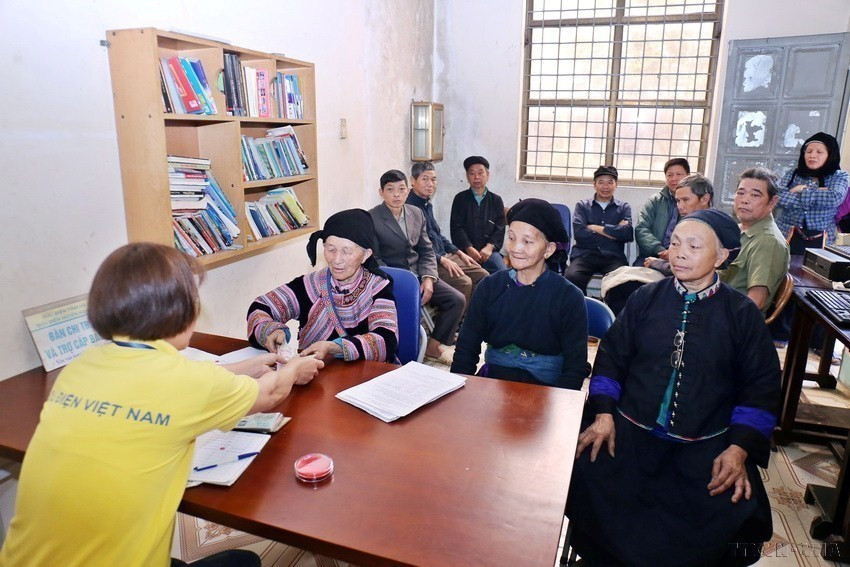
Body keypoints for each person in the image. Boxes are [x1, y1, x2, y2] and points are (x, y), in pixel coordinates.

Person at [0, 243, 324, 567]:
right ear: (181, 310)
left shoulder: (82, 365)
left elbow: (177, 386)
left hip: (25, 559)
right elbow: (270, 394)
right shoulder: (187, 382)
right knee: (244, 562)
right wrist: (294, 367)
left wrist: (244, 368)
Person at [567, 209, 779, 566]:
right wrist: (603, 413)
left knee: (732, 513)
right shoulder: (645, 299)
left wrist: (740, 449)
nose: (679, 253)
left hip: (704, 445)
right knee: (589, 482)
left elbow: (760, 387)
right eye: (676, 243)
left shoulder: (742, 315)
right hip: (631, 434)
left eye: (694, 246)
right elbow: (611, 360)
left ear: (722, 256)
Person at [451, 198, 587, 390]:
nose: (515, 248)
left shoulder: (568, 296)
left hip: (548, 389)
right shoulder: (489, 287)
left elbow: (575, 367)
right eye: (512, 238)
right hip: (494, 384)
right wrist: (456, 392)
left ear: (549, 249)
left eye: (527, 241)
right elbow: (466, 349)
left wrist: (561, 406)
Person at [247, 208, 399, 363]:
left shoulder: (378, 287)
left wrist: (336, 347)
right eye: (330, 249)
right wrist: (270, 331)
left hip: (366, 375)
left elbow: (386, 339)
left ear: (366, 254)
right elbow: (261, 306)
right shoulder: (310, 286)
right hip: (313, 373)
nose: (337, 259)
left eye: (347, 252)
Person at [370, 169, 464, 364]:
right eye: (390, 189)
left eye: (401, 189)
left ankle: (433, 346)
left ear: (408, 190)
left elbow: (426, 250)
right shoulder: (372, 218)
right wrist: (400, 283)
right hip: (393, 280)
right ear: (381, 192)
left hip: (419, 275)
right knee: (407, 317)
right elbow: (375, 259)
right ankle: (404, 356)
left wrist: (429, 278)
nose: (396, 194)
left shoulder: (416, 212)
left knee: (457, 300)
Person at [602, 173, 714, 315]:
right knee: (618, 287)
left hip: (687, 285)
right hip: (669, 271)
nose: (680, 206)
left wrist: (657, 263)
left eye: (685, 200)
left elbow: (691, 269)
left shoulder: (709, 229)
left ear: (705, 199)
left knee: (629, 293)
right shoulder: (691, 222)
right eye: (678, 201)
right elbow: (642, 230)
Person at [406, 161, 488, 303]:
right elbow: (416, 247)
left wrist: (459, 252)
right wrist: (442, 259)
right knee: (465, 282)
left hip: (445, 254)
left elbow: (437, 235)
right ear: (413, 181)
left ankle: (470, 318)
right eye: (425, 179)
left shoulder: (426, 204)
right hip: (431, 261)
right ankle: (457, 322)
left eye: (433, 179)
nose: (430, 184)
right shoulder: (409, 208)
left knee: (484, 276)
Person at [722, 167, 790, 313]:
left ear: (772, 202)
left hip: (732, 323)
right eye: (740, 193)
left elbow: (755, 302)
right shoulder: (738, 229)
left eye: (755, 195)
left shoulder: (768, 242)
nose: (745, 200)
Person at [564, 165, 634, 295]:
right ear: (594, 185)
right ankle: (582, 311)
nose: (605, 186)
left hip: (613, 256)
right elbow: (580, 233)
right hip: (584, 255)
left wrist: (594, 227)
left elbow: (627, 234)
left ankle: (613, 314)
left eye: (610, 182)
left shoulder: (623, 207)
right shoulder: (582, 206)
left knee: (621, 283)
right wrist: (614, 233)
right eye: (601, 182)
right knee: (571, 278)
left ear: (616, 185)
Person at [775, 131, 848, 252]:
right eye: (808, 151)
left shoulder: (839, 176)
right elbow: (778, 197)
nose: (812, 155)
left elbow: (834, 198)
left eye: (819, 152)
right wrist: (819, 192)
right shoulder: (793, 174)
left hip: (822, 238)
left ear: (830, 155)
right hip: (786, 234)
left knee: (812, 270)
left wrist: (799, 190)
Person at [450, 155, 507, 274]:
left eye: (480, 173)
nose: (476, 177)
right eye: (472, 173)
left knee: (502, 274)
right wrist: (468, 247)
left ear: (487, 175)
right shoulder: (460, 199)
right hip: (466, 251)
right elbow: (456, 227)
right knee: (461, 277)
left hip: (489, 252)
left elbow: (500, 228)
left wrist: (490, 247)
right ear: (467, 177)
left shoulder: (496, 200)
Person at [633, 158, 691, 265]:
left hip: (682, 258)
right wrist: (659, 250)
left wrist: (674, 253)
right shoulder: (655, 201)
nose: (674, 179)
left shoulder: (694, 203)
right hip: (652, 253)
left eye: (678, 174)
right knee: (634, 279)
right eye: (670, 175)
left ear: (688, 176)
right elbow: (642, 229)